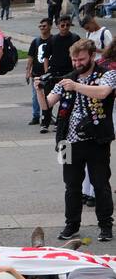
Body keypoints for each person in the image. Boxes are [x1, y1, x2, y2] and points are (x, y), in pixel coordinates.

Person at [44, 38, 115, 241]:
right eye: (74, 60)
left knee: (100, 184)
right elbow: (46, 105)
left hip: (97, 140)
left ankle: (105, 225)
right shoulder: (68, 79)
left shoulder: (106, 74)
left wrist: (75, 86)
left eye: (81, 59)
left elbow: (103, 93)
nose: (77, 64)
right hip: (66, 142)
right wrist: (40, 89)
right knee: (70, 186)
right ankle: (71, 225)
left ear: (92, 56)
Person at [40, 15, 80, 132]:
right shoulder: (53, 39)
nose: (65, 27)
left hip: (69, 73)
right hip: (53, 73)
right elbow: (46, 56)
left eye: (68, 25)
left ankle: (59, 122)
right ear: (57, 26)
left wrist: (75, 71)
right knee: (48, 99)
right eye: (62, 25)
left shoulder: (74, 38)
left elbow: (78, 55)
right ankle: (45, 123)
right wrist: (47, 71)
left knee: (65, 100)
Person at [29, 19, 55, 126]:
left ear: (50, 26)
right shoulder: (36, 41)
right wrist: (28, 71)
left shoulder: (54, 40)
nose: (42, 28)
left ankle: (48, 115)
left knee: (49, 96)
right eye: (40, 26)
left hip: (49, 73)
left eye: (44, 26)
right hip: (36, 73)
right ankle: (36, 116)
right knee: (35, 96)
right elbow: (31, 57)